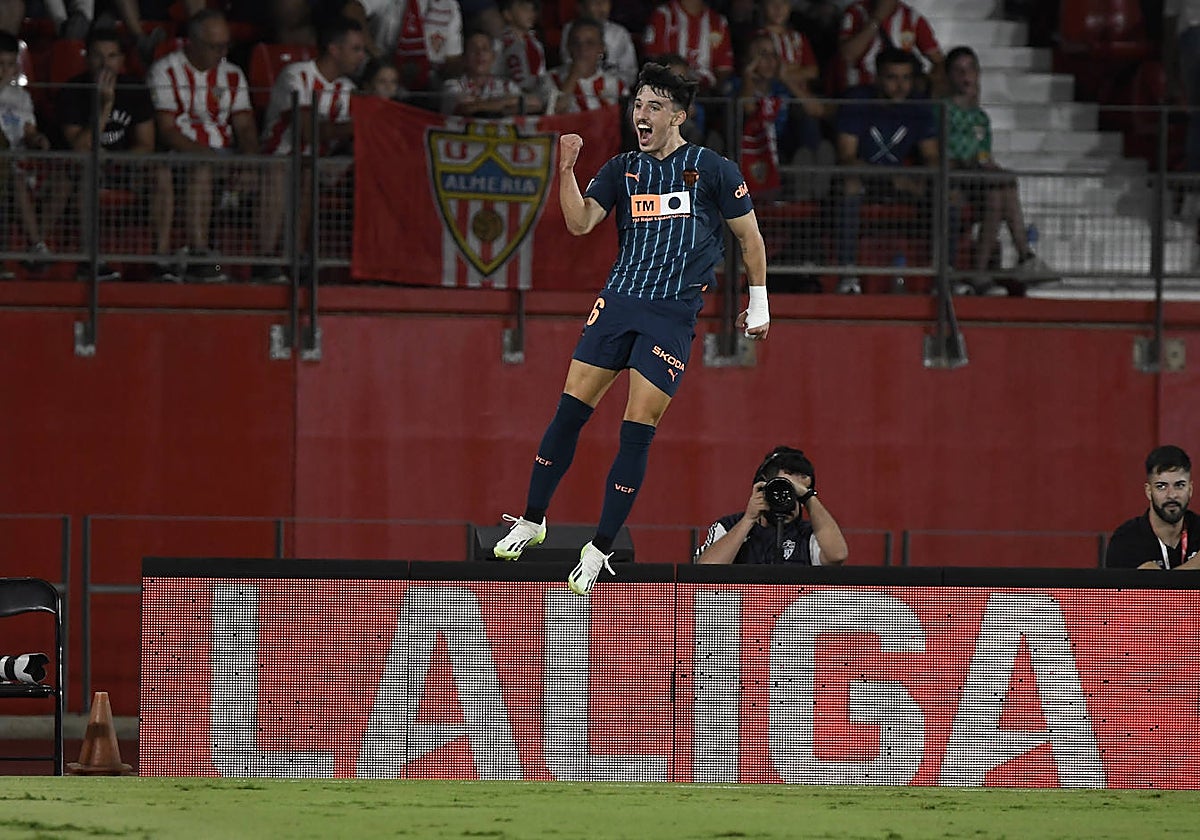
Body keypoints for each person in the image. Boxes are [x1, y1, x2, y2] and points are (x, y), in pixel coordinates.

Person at [492, 61, 771, 595]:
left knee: (635, 428)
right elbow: (580, 223)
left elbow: (750, 239)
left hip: (671, 316)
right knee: (567, 412)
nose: (640, 115)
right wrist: (566, 170)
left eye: (654, 107)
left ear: (679, 116)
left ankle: (599, 546)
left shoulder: (713, 170)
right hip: (618, 303)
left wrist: (759, 302)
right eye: (638, 105)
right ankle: (533, 518)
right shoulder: (622, 168)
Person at [147, 9, 260, 282]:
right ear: (192, 43)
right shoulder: (165, 70)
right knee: (201, 169)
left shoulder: (233, 74)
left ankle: (266, 266)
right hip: (182, 154)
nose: (222, 53)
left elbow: (244, 126)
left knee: (274, 172)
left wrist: (250, 162)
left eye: (226, 45)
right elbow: (168, 131)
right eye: (214, 46)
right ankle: (199, 256)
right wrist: (209, 157)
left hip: (226, 154)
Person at [257, 16, 365, 283]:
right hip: (279, 158)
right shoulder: (296, 75)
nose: (362, 56)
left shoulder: (349, 89)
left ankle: (299, 259)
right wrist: (358, 125)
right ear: (334, 48)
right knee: (298, 171)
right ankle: (268, 259)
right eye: (356, 49)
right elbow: (308, 131)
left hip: (320, 164)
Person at [57, 27, 167, 282]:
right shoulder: (73, 90)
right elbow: (81, 147)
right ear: (87, 59)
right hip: (86, 169)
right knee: (89, 171)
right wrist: (104, 106)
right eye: (97, 56)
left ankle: (159, 259)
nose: (105, 64)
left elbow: (146, 144)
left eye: (112, 56)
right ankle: (92, 259)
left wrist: (116, 159)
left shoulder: (135, 89)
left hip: (125, 166)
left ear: (122, 60)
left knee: (161, 174)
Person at [944, 45, 1051, 295]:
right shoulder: (944, 110)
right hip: (953, 179)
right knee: (1001, 185)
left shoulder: (981, 117)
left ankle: (984, 272)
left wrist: (993, 168)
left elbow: (984, 156)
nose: (966, 76)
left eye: (971, 69)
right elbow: (942, 154)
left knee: (1002, 188)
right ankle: (1024, 256)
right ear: (950, 76)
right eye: (959, 71)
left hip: (978, 179)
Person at [833, 47, 936, 294]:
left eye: (906, 78)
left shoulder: (918, 106)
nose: (900, 86)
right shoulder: (858, 102)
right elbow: (847, 157)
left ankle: (944, 275)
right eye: (892, 78)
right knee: (849, 186)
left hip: (903, 181)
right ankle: (848, 273)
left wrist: (922, 180)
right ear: (877, 78)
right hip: (867, 178)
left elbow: (933, 157)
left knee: (947, 193)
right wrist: (892, 177)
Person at [694, 446, 848, 565]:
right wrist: (749, 519)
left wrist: (809, 497)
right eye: (781, 491)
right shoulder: (728, 526)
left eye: (795, 494)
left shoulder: (808, 535)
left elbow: (837, 555)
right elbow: (706, 570)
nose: (788, 500)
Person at [0, 31, 55, 274]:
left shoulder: (20, 98)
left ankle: (34, 248)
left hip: (21, 165)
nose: (4, 71)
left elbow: (29, 131)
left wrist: (38, 139)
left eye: (10, 64)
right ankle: (35, 245)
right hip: (7, 172)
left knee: (63, 183)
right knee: (15, 180)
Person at [1106, 445, 1199, 570]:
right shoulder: (1126, 540)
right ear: (1149, 491)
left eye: (1179, 485)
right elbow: (1160, 589)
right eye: (1161, 486)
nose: (1171, 495)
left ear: (1190, 489)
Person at [837, 0, 944, 95]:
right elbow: (847, 55)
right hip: (861, 91)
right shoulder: (856, 12)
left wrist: (925, 82)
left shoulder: (912, 17)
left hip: (901, 94)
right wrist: (877, 19)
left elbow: (939, 61)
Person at [642, 0, 735, 93]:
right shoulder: (664, 15)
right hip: (668, 89)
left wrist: (710, 88)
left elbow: (724, 68)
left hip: (705, 94)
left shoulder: (718, 21)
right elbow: (654, 59)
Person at [540, 17, 626, 113]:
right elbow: (552, 115)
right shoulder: (551, 78)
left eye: (590, 43)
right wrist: (573, 76)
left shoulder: (617, 85)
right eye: (576, 43)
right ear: (569, 47)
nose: (582, 48)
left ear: (601, 48)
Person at [442, 29, 536, 115]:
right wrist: (509, 104)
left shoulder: (507, 85)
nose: (480, 54)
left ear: (493, 57)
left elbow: (534, 103)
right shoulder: (452, 86)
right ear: (465, 58)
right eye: (474, 49)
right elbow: (467, 109)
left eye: (485, 49)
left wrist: (484, 105)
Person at [560, 0, 638, 87]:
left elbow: (630, 73)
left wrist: (609, 84)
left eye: (605, 2)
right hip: (580, 88)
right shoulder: (571, 30)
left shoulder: (619, 33)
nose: (601, 7)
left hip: (612, 90)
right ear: (582, 7)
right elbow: (568, 65)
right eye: (595, 3)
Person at [493, 0, 546, 96]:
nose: (531, 13)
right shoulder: (499, 43)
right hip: (508, 96)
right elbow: (494, 73)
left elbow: (541, 73)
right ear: (508, 14)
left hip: (535, 96)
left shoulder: (536, 44)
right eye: (525, 9)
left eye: (532, 10)